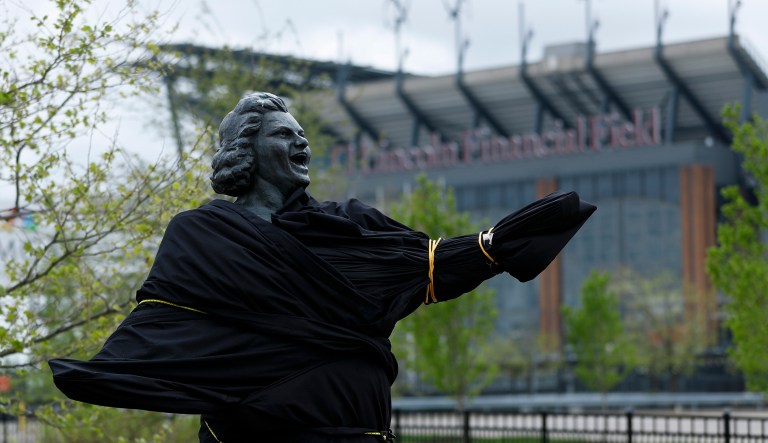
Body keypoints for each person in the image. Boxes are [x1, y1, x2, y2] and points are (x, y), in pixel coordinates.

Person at [49, 92, 595, 442]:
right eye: (284, 134)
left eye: (301, 132)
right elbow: (168, 327)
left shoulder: (350, 223)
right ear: (248, 150)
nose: (301, 140)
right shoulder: (203, 234)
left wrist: (496, 247)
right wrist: (112, 377)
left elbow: (427, 268)